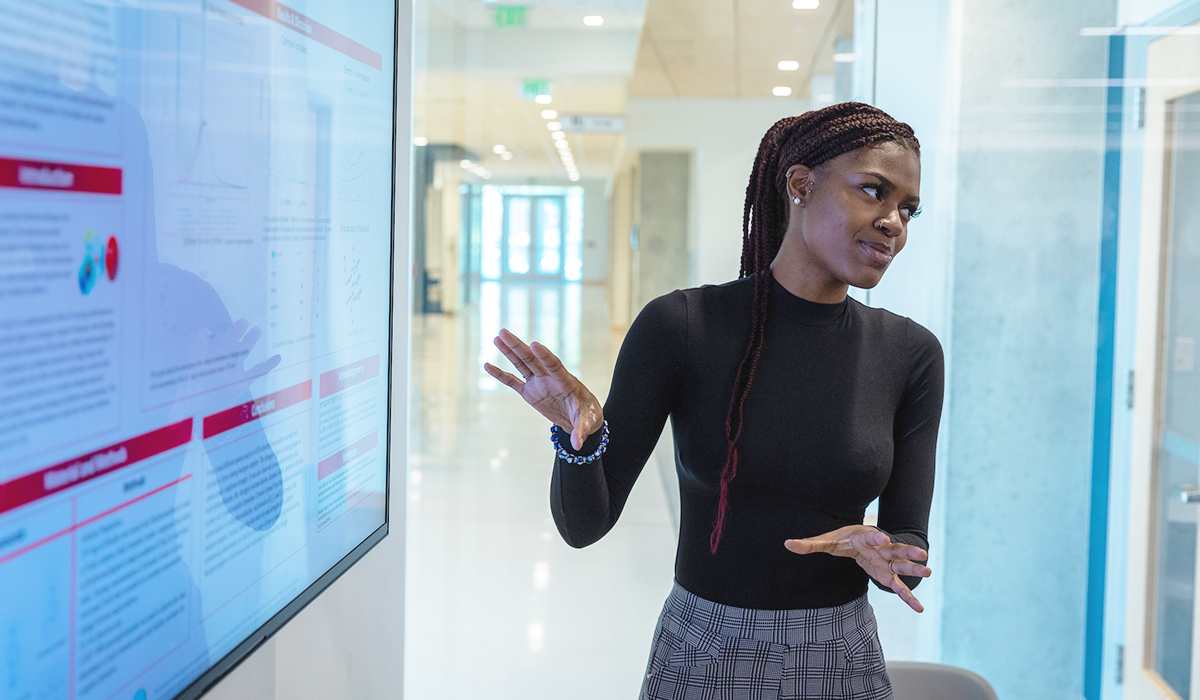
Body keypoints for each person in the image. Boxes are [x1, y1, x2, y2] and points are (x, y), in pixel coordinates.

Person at [484, 102, 943, 700]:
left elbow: (909, 539)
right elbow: (584, 526)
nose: (893, 222)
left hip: (842, 649)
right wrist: (582, 440)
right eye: (873, 192)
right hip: (707, 649)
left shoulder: (909, 353)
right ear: (800, 185)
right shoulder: (682, 327)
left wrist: (887, 550)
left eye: (908, 209)